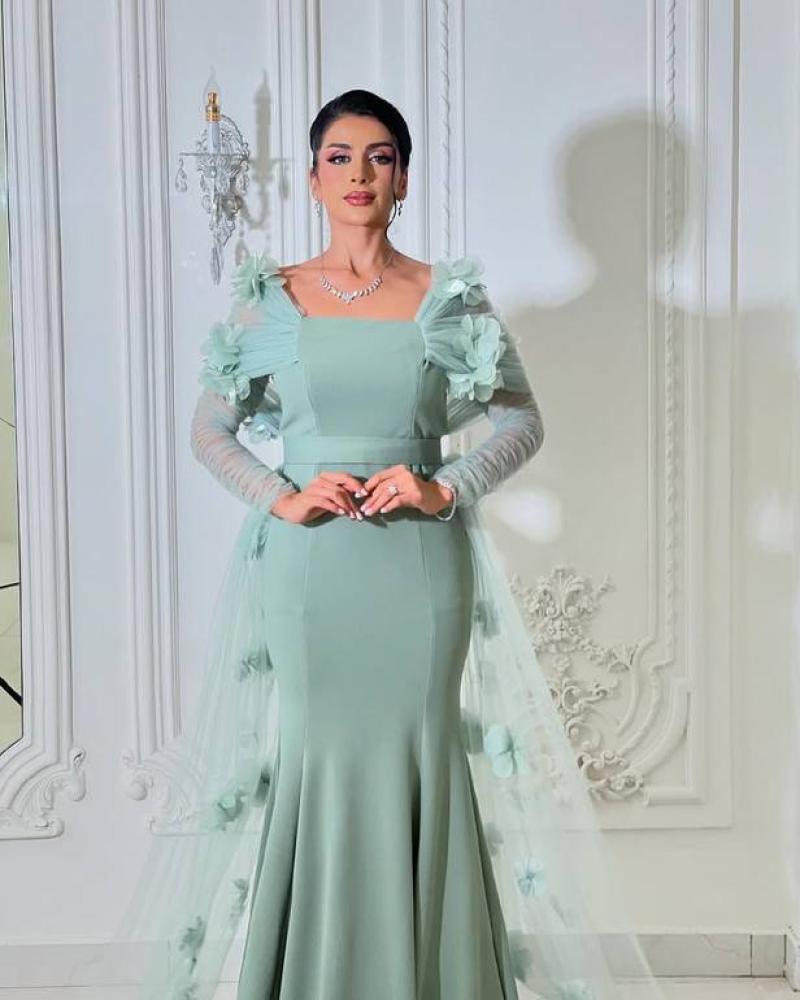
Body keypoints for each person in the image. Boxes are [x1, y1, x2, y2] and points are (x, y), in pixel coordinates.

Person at [113, 89, 665, 1000]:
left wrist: (443, 485)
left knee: (421, 752)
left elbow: (521, 423)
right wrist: (282, 496)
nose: (359, 173)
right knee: (317, 757)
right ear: (314, 178)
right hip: (311, 575)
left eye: (379, 157)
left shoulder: (448, 299)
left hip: (418, 572)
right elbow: (210, 431)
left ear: (403, 178)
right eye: (339, 157)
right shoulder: (271, 300)